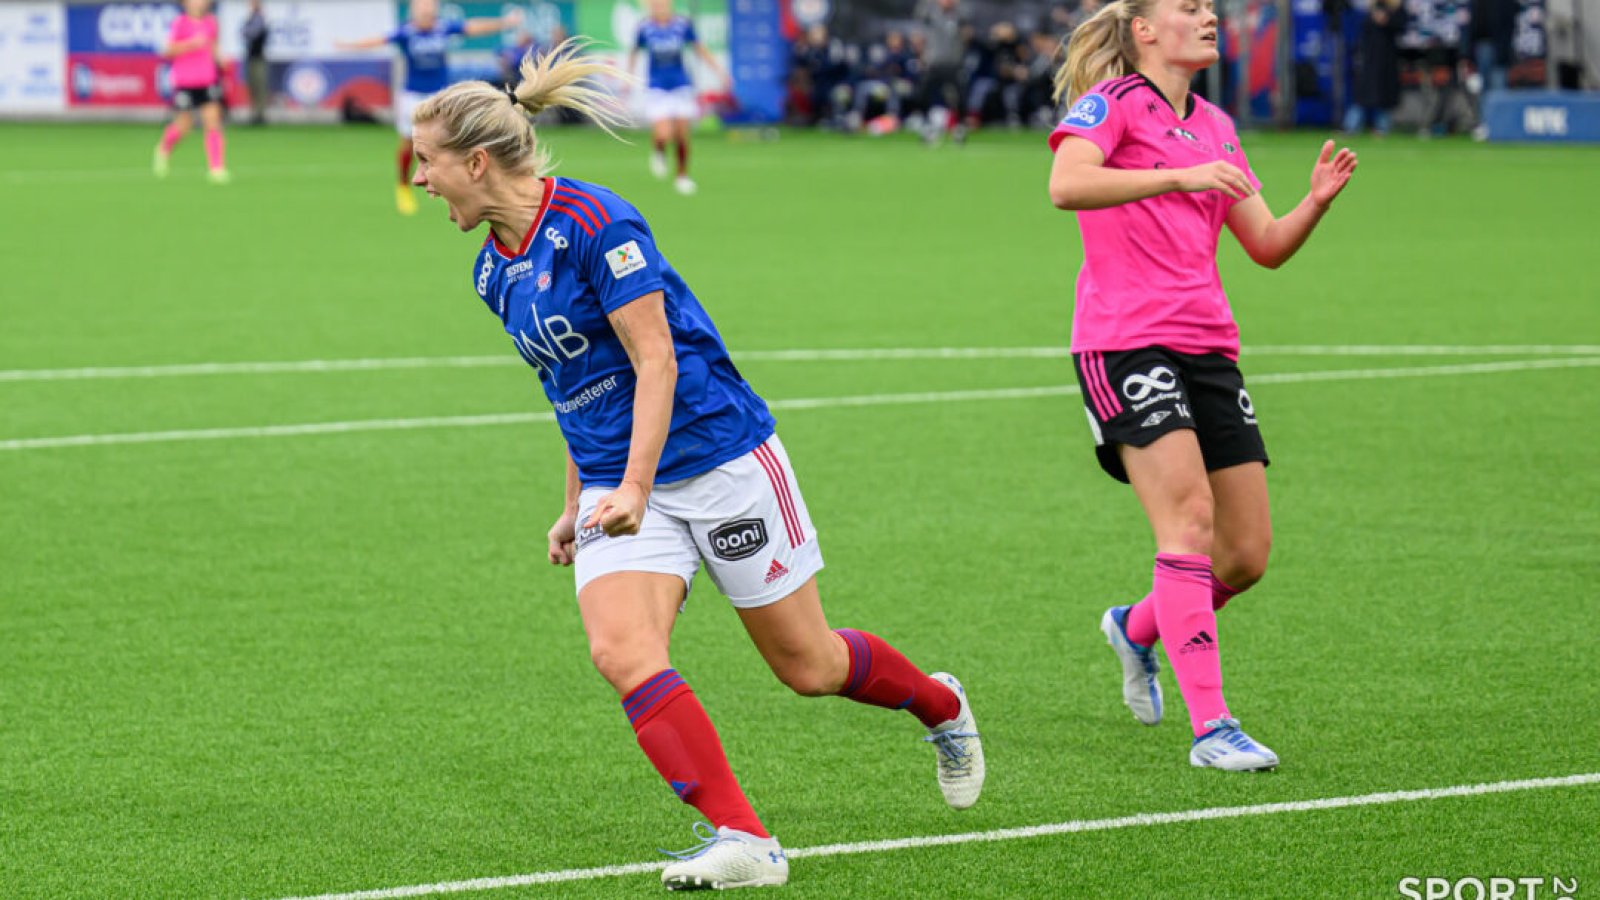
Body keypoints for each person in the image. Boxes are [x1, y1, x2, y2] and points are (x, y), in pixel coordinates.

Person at [407, 40, 986, 890]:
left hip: (719, 459)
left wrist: (637, 486)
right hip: (618, 482)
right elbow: (573, 391)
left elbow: (656, 363)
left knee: (809, 666)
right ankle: (745, 838)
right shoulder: (492, 272)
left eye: (427, 162)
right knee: (622, 651)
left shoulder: (599, 226)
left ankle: (940, 704)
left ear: (477, 161)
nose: (420, 181)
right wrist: (579, 499)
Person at [1046, 0, 1357, 770]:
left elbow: (1266, 245)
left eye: (1211, 7)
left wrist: (1312, 204)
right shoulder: (1112, 104)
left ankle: (1136, 628)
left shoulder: (1217, 123)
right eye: (1190, 7)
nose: (1210, 15)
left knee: (1245, 554)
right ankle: (1213, 728)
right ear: (1145, 30)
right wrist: (1175, 174)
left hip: (1208, 346)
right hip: (1123, 341)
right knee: (1188, 523)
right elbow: (1066, 184)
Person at [335, 0, 519, 215]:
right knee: (410, 142)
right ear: (414, 11)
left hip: (440, 95)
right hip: (412, 96)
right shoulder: (406, 33)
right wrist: (349, 46)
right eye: (422, 7)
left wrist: (504, 23)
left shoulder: (443, 28)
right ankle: (403, 186)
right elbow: (378, 40)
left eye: (430, 7)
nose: (426, 11)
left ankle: (450, 185)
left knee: (451, 140)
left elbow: (473, 27)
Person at [627, 0, 730, 195]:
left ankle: (682, 176)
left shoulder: (682, 24)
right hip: (657, 87)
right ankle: (659, 152)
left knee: (682, 135)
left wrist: (719, 72)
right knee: (664, 134)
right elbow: (634, 52)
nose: (659, 6)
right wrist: (627, 78)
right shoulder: (645, 28)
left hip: (681, 85)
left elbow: (700, 49)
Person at [153, 0, 229, 183]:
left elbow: (214, 46)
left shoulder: (211, 22)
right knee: (184, 125)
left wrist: (221, 60)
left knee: (213, 121)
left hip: (207, 79)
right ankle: (163, 149)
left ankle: (216, 168)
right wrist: (191, 44)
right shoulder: (180, 23)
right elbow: (167, 50)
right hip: (185, 81)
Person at [1343, 0, 1407, 135]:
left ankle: (1382, 128)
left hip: (1387, 58)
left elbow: (1402, 27)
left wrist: (1387, 21)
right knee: (1361, 94)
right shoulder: (1368, 8)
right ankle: (1351, 127)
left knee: (1384, 95)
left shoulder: (1396, 9)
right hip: (1368, 57)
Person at [242, 0, 270, 125]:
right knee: (253, 86)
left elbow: (250, 33)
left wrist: (247, 31)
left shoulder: (259, 18)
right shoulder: (252, 18)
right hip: (252, 57)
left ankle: (260, 114)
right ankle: (255, 112)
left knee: (259, 86)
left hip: (258, 57)